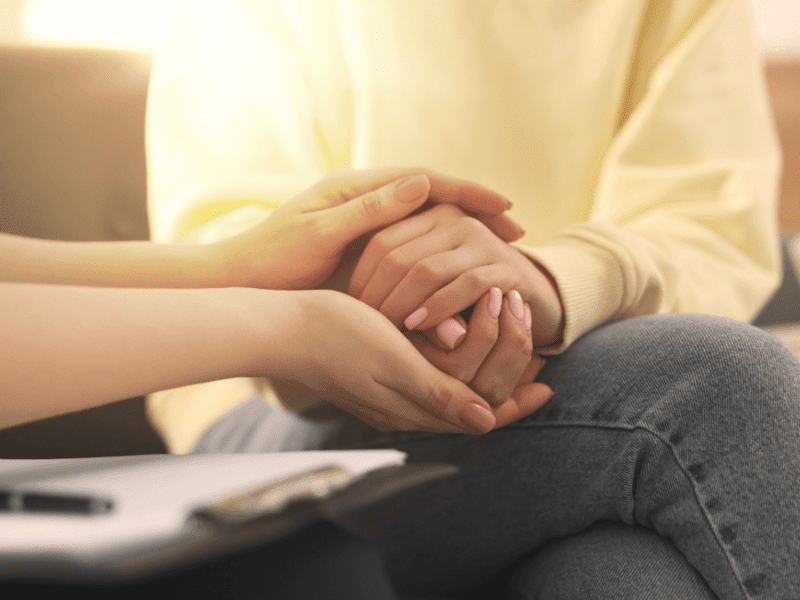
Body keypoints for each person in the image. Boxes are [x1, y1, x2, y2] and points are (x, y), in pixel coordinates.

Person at [146, 0, 800, 597]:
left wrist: (548, 280)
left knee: (619, 577)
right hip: (271, 415)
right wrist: (412, 306)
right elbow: (224, 261)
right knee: (719, 385)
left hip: (577, 371)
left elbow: (708, 227)